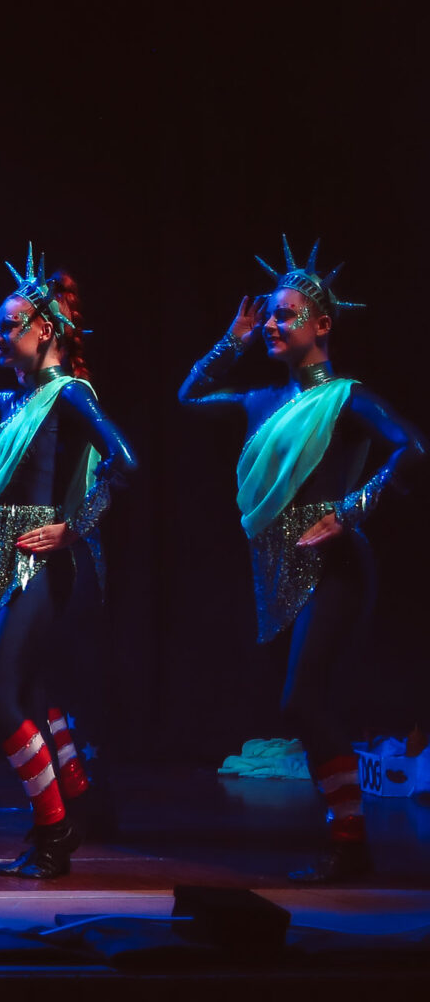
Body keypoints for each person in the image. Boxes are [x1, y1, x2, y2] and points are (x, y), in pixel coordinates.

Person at [180, 239, 420, 882]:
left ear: (323, 325)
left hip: (336, 563)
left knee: (302, 700)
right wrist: (229, 343)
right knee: (305, 703)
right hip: (282, 569)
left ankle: (350, 843)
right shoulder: (260, 400)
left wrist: (351, 509)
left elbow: (414, 448)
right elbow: (189, 397)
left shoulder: (345, 396)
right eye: (269, 315)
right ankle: (348, 839)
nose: (272, 325)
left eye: (286, 315)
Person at [0, 246, 137, 880]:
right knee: (27, 692)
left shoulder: (69, 395)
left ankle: (55, 824)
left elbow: (125, 462)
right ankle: (66, 811)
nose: (0, 332)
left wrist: (75, 527)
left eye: (8, 324)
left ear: (44, 330)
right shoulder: (12, 403)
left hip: (44, 563)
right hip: (8, 559)